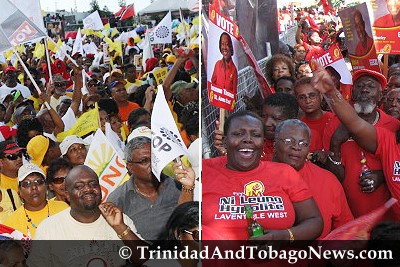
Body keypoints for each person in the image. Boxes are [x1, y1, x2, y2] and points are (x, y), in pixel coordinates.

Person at [203, 111, 323, 240]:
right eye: (238, 134)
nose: (248, 139)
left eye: (255, 135)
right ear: (225, 141)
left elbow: (314, 221)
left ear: (263, 143)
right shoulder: (204, 171)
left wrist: (282, 237)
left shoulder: (285, 173)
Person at [312, 61, 400, 220]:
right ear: (352, 92)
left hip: (387, 216)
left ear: (381, 95)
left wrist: (382, 175)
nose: (365, 90)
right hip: (351, 213)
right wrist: (331, 93)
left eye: (371, 87)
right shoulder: (386, 139)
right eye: (359, 86)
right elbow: (355, 124)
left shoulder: (392, 126)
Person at [29, 165, 147, 266]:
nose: (88, 189)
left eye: (93, 184)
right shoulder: (49, 228)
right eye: (79, 186)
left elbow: (144, 259)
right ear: (67, 195)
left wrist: (120, 227)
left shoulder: (119, 219)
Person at [272, 119, 353, 239]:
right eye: (289, 141)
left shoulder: (328, 181)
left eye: (303, 143)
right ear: (274, 144)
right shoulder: (257, 177)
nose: (296, 147)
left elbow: (346, 230)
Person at [107, 136, 195, 240]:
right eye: (144, 161)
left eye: (154, 159)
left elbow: (188, 222)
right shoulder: (118, 199)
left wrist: (187, 188)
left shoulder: (179, 185)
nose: (152, 165)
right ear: (129, 167)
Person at [3, 163, 68, 238]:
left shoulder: (63, 209)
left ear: (46, 186)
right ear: (19, 191)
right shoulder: (10, 225)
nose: (34, 187)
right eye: (27, 184)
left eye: (39, 182)